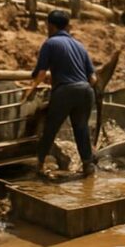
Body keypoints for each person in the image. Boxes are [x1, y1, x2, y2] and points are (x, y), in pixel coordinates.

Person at [24, 10, 98, 177]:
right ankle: (88, 166)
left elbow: (41, 73)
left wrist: (31, 89)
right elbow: (93, 78)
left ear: (50, 25)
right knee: (81, 128)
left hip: (65, 91)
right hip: (85, 90)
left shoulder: (50, 43)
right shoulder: (80, 45)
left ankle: (40, 164)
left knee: (51, 128)